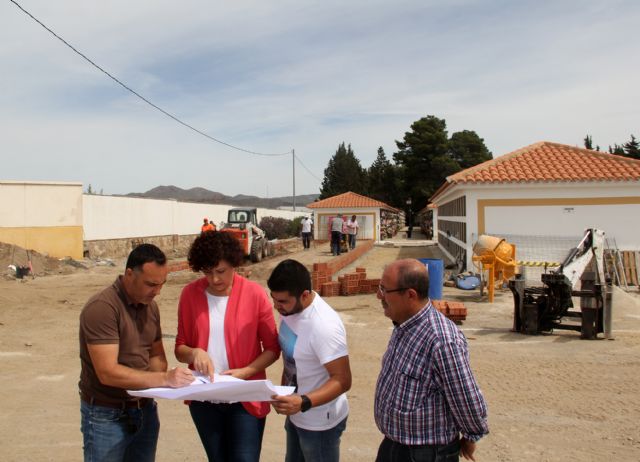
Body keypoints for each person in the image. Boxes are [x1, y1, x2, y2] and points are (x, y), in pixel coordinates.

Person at [79, 243, 194, 462]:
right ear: (129, 274)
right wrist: (164, 378)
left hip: (144, 411)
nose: (157, 292)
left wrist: (164, 378)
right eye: (151, 284)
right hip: (107, 415)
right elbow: (107, 372)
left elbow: (156, 355)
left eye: (162, 284)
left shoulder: (150, 307)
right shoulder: (102, 308)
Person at [175, 231, 281, 462]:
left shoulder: (255, 295)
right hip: (205, 399)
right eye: (207, 272)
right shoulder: (190, 295)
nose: (214, 279)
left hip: (245, 397)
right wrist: (195, 352)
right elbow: (180, 348)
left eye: (220, 271)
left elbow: (273, 348)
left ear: (234, 264)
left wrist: (246, 372)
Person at [374, 259, 489, 462]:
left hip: (425, 454)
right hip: (395, 445)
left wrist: (471, 436)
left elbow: (465, 397)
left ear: (410, 295)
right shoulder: (404, 325)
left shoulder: (441, 340)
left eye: (384, 290)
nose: (378, 296)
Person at [268, 259, 351, 462]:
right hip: (296, 414)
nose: (276, 306)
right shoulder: (290, 309)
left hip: (320, 424)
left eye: (282, 302)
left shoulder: (324, 326)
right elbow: (292, 359)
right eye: (274, 299)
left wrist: (304, 402)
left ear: (304, 295)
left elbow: (342, 380)